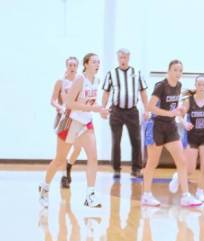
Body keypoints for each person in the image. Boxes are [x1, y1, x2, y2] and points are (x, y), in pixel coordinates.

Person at [39, 53, 108, 208]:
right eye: (94, 62)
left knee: (93, 156)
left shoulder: (96, 80)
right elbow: (69, 103)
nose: (97, 64)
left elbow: (92, 102)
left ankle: (90, 195)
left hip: (86, 123)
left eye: (98, 62)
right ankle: (44, 188)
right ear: (86, 64)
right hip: (70, 122)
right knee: (59, 160)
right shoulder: (79, 80)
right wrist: (94, 108)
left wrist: (101, 110)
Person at [141, 59, 203, 208]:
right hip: (156, 126)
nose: (178, 73)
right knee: (152, 162)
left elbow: (174, 106)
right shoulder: (160, 86)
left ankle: (185, 196)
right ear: (169, 71)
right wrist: (170, 113)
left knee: (182, 161)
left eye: (180, 70)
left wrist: (179, 109)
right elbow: (150, 107)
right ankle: (146, 195)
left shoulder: (179, 86)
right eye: (175, 70)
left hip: (170, 127)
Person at [168, 75, 204, 206]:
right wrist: (185, 123)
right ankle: (177, 177)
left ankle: (200, 192)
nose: (201, 87)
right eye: (199, 84)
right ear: (195, 86)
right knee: (189, 170)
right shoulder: (189, 101)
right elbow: (179, 116)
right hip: (191, 137)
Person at [101, 48, 149, 179]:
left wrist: (147, 109)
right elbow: (106, 92)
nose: (123, 60)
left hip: (132, 111)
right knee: (116, 141)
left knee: (136, 140)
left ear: (129, 58)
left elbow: (143, 92)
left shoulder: (136, 73)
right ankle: (116, 169)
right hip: (116, 111)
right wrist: (102, 108)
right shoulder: (111, 73)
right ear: (118, 58)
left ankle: (136, 169)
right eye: (120, 57)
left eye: (125, 57)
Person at [50, 56, 82, 189]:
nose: (72, 67)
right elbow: (53, 100)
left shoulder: (80, 81)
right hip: (64, 119)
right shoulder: (60, 82)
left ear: (78, 67)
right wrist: (60, 107)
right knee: (62, 152)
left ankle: (69, 165)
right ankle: (64, 176)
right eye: (70, 65)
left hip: (78, 119)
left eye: (74, 65)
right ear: (66, 66)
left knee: (78, 147)